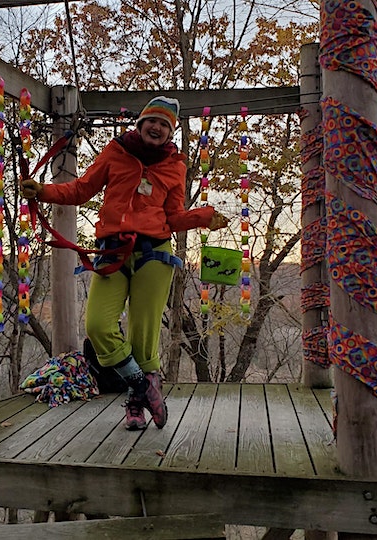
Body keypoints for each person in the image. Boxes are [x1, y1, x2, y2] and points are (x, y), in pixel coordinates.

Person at [21, 96, 229, 430]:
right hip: (112, 252)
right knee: (98, 326)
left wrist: (203, 217)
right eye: (152, 121)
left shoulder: (175, 166)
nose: (157, 127)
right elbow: (80, 189)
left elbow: (173, 217)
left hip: (154, 254)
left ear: (170, 132)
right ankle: (143, 387)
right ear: (141, 123)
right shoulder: (115, 153)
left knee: (142, 334)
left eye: (164, 124)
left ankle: (136, 404)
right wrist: (42, 191)